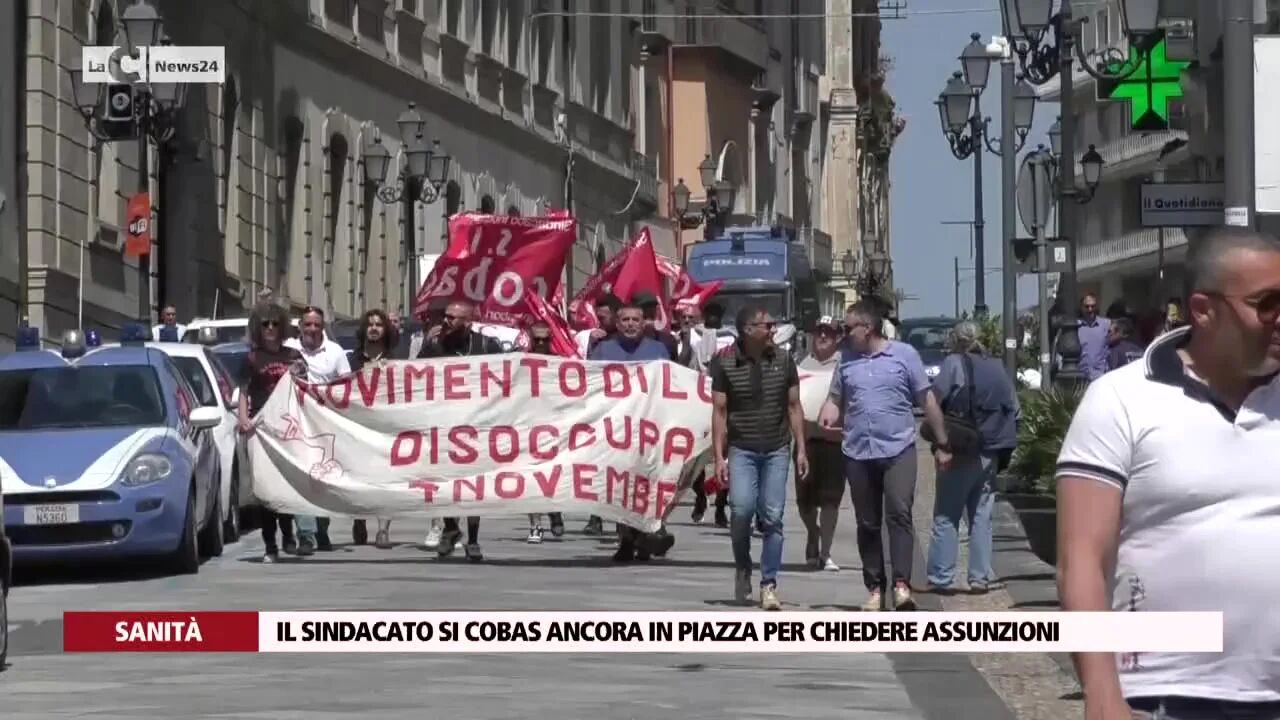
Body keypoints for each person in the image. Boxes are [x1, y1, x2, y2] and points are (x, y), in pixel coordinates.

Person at [1056, 227, 1280, 719]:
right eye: (1267, 303)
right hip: (1167, 694)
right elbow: (1081, 560)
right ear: (1203, 310)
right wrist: (1101, 690)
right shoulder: (1121, 399)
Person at [818, 301, 951, 611]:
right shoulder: (847, 360)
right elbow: (836, 396)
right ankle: (875, 588)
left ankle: (902, 585)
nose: (844, 334)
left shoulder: (905, 355)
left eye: (849, 328)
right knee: (867, 522)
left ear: (869, 328)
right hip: (858, 451)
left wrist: (942, 441)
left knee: (899, 513)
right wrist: (829, 410)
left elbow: (926, 398)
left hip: (898, 449)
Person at [710, 306, 808, 610]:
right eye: (767, 325)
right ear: (747, 329)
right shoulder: (725, 363)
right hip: (743, 448)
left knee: (773, 517)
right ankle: (743, 566)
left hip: (777, 447)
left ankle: (769, 584)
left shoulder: (783, 359)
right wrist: (718, 457)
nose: (773, 329)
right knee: (741, 511)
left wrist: (801, 449)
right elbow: (719, 412)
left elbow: (794, 406)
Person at [924, 321, 1018, 594]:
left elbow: (933, 402)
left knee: (947, 513)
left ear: (956, 340)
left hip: (961, 449)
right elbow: (1015, 409)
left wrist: (941, 442)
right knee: (981, 516)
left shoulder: (954, 364)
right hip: (992, 450)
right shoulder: (998, 365)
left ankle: (941, 577)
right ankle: (979, 578)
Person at [417, 299, 504, 562]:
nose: (446, 321)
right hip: (444, 423)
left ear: (468, 322)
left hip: (477, 424)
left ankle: (473, 538)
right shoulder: (435, 346)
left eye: (454, 318)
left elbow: (507, 376)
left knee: (473, 484)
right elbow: (414, 375)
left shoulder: (486, 346)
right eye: (446, 316)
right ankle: (451, 527)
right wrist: (427, 346)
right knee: (446, 480)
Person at [589, 301, 673, 562]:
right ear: (617, 323)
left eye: (635, 320)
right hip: (616, 429)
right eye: (625, 320)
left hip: (651, 428)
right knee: (620, 486)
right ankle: (626, 538)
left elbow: (671, 386)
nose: (630, 325)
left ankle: (646, 533)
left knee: (648, 485)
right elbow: (589, 386)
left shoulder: (659, 350)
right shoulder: (603, 351)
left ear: (644, 323)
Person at [237, 301, 306, 563]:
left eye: (275, 323)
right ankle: (270, 546)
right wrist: (244, 419)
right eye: (265, 323)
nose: (270, 328)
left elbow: (306, 388)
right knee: (265, 490)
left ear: (282, 327)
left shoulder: (292, 356)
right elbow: (243, 392)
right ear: (257, 327)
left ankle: (289, 535)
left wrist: (300, 372)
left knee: (285, 485)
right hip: (261, 428)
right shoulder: (252, 358)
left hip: (288, 427)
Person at [284, 306, 351, 553]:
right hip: (296, 422)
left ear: (323, 328)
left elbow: (347, 386)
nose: (312, 329)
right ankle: (306, 534)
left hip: (325, 423)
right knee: (302, 477)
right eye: (308, 324)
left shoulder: (335, 352)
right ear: (300, 326)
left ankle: (321, 529)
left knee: (323, 479)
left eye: (317, 325)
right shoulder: (288, 348)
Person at [349, 309, 400, 548]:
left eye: (379, 324)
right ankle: (359, 519)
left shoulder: (396, 359)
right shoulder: (352, 360)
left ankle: (383, 530)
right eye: (370, 324)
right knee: (359, 478)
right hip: (357, 426)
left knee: (386, 480)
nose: (374, 328)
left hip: (386, 428)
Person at [797, 317, 844, 571]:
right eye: (819, 332)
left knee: (830, 501)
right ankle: (812, 533)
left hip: (834, 443)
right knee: (804, 502)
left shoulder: (844, 365)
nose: (823, 336)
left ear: (837, 337)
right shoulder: (801, 364)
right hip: (806, 441)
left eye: (829, 333)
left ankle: (825, 551)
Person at [689, 301, 729, 526]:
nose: (713, 317)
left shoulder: (730, 338)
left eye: (717, 313)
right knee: (697, 457)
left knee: (723, 456)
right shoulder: (694, 336)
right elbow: (684, 361)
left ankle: (721, 504)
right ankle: (700, 496)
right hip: (697, 398)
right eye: (709, 313)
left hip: (722, 400)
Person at [525, 320, 566, 543]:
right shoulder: (519, 363)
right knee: (531, 477)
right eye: (536, 339)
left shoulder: (560, 363)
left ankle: (555, 511)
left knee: (554, 477)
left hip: (555, 428)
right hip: (528, 427)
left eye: (545, 339)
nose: (541, 343)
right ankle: (535, 525)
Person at [632, 290, 680, 360]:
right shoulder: (624, 342)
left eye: (652, 308)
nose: (649, 312)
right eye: (644, 309)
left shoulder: (668, 340)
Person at [1077, 293, 1112, 382]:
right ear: (1081, 307)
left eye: (1093, 306)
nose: (1090, 309)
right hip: (1082, 377)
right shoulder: (1076, 326)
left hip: (1102, 376)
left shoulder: (1106, 324)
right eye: (1087, 306)